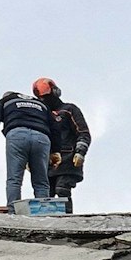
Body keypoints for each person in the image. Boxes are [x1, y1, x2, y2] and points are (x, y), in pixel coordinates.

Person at [0, 83, 59, 205]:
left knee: (14, 180)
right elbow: (55, 127)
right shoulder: (40, 104)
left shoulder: (5, 101)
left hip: (17, 135)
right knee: (41, 182)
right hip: (42, 138)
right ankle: (44, 209)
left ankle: (14, 210)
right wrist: (56, 150)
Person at [40, 79, 92, 207]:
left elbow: (83, 132)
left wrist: (80, 152)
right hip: (48, 162)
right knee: (45, 195)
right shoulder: (42, 115)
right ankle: (48, 218)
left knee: (62, 189)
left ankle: (67, 216)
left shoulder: (69, 110)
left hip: (69, 159)